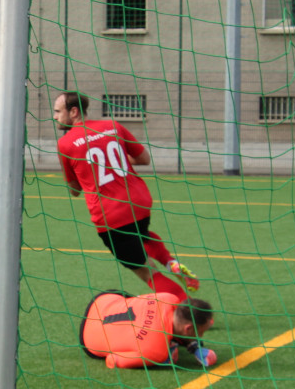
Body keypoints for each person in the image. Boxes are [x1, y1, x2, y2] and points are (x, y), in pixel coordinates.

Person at [54, 90, 198, 293]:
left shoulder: (65, 143)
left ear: (74, 112)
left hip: (111, 215)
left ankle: (190, 312)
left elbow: (75, 190)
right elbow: (144, 159)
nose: (54, 116)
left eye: (57, 111)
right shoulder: (113, 126)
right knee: (142, 236)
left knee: (147, 271)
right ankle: (170, 262)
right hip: (138, 202)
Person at [81, 272, 217, 369]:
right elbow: (112, 361)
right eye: (200, 332)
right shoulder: (158, 353)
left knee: (134, 303)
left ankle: (183, 343)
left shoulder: (167, 298)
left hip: (102, 301)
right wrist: (161, 361)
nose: (201, 336)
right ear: (188, 328)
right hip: (89, 343)